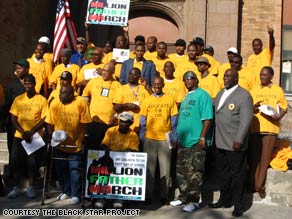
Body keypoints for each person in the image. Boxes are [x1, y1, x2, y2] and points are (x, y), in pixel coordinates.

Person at [209, 68, 253, 218]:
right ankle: (224, 200)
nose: (225, 78)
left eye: (228, 76)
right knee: (223, 174)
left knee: (237, 175)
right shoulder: (221, 92)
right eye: (224, 76)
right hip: (220, 141)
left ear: (236, 78)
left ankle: (238, 205)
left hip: (235, 143)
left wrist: (239, 139)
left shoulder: (244, 95)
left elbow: (246, 120)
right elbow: (214, 105)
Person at [170, 71, 213, 213]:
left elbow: (207, 118)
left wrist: (202, 137)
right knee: (181, 171)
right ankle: (183, 197)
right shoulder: (186, 97)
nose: (187, 81)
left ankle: (194, 201)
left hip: (196, 140)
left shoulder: (203, 95)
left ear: (196, 80)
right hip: (183, 141)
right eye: (185, 79)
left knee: (195, 172)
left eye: (190, 78)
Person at [46, 85, 92, 205]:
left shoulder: (80, 102)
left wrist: (84, 139)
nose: (61, 95)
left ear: (72, 94)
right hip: (59, 143)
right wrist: (52, 136)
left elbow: (86, 123)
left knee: (74, 170)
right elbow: (50, 122)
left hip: (75, 144)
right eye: (60, 93)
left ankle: (76, 194)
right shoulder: (55, 103)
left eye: (64, 93)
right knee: (61, 169)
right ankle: (66, 191)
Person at [248, 66, 288, 199]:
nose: (262, 77)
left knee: (265, 159)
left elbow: (284, 107)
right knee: (255, 158)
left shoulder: (277, 90)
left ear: (271, 76)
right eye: (261, 75)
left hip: (270, 129)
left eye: (265, 75)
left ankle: (260, 186)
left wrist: (278, 116)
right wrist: (253, 108)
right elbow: (248, 107)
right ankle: (252, 184)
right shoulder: (254, 90)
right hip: (255, 129)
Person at [7, 74, 47, 199]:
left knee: (32, 164)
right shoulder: (18, 99)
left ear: (34, 84)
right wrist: (22, 131)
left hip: (34, 136)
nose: (27, 86)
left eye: (30, 83)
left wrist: (32, 131)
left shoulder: (42, 99)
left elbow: (44, 118)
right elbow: (13, 117)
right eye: (26, 84)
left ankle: (31, 187)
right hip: (19, 135)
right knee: (16, 162)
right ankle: (17, 187)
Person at [140, 76, 178, 205]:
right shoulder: (147, 100)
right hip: (150, 139)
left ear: (163, 85)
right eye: (155, 84)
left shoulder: (169, 99)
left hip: (164, 140)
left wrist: (173, 138)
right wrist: (143, 137)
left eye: (159, 84)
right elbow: (142, 121)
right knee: (149, 169)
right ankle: (148, 195)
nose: (157, 86)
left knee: (165, 169)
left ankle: (164, 196)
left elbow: (174, 121)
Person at [82, 63, 121, 149]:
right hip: (93, 120)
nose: (104, 73)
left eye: (107, 71)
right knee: (90, 148)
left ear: (113, 72)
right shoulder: (94, 81)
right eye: (103, 70)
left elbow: (121, 105)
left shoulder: (118, 85)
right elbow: (85, 97)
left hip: (108, 123)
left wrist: (115, 116)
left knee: (104, 148)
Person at [2, 58, 29, 170]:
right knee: (13, 149)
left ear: (27, 69)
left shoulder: (32, 83)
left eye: (20, 68)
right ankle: (13, 173)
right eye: (16, 68)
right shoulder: (11, 86)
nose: (17, 70)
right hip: (13, 123)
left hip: (28, 123)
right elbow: (6, 105)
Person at [113, 67, 152, 133]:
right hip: (125, 127)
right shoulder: (121, 89)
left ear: (139, 76)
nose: (131, 76)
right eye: (130, 74)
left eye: (134, 74)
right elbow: (116, 107)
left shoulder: (144, 89)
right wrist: (128, 105)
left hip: (141, 127)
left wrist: (147, 87)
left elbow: (155, 100)